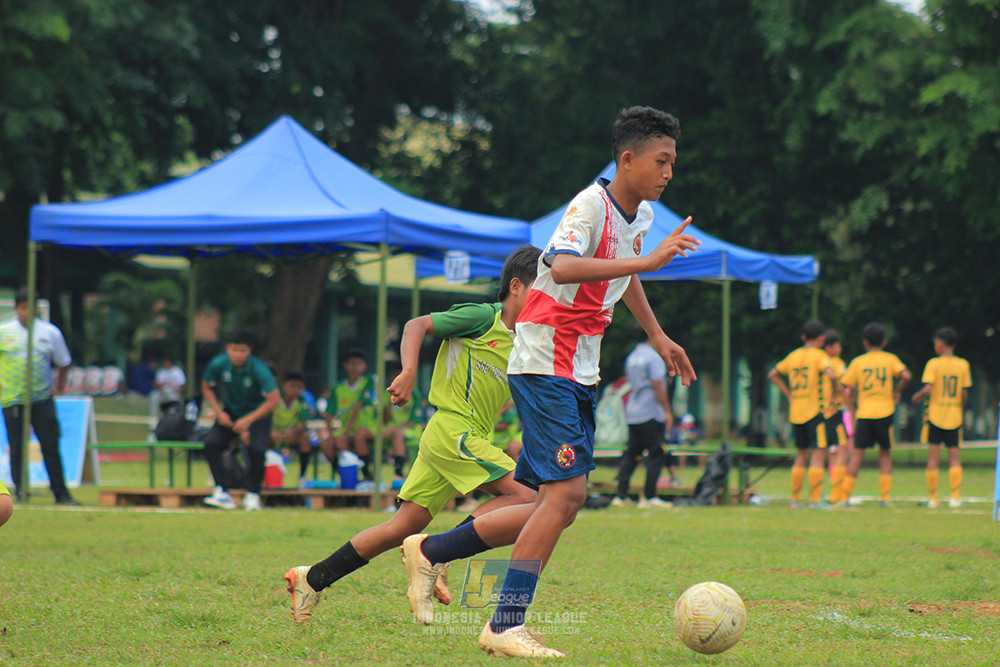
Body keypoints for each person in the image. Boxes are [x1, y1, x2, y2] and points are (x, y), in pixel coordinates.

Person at [398, 106, 698, 658]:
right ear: (627, 159)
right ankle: (504, 623)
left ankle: (431, 549)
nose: (669, 173)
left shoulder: (642, 219)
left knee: (552, 502)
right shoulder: (590, 204)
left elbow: (625, 273)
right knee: (566, 496)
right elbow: (558, 266)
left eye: (673, 162)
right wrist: (650, 263)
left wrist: (657, 335)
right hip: (544, 359)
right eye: (662, 161)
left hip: (579, 366)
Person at [282, 245, 541, 623]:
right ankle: (437, 554)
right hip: (454, 429)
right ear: (516, 286)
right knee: (527, 497)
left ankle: (312, 578)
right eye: (542, 287)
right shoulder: (483, 318)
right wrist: (405, 372)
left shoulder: (527, 339)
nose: (548, 297)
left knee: (402, 526)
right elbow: (415, 325)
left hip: (457, 436)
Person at [0, 288, 79, 505]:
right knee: (16, 447)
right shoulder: (4, 331)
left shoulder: (49, 332)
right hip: (13, 399)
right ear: (17, 309)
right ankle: (20, 491)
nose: (27, 312)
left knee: (50, 445)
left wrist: (59, 387)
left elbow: (64, 362)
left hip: (42, 399)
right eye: (23, 307)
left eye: (31, 307)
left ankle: (61, 493)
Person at [201, 328, 280, 511]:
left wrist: (249, 420)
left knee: (258, 450)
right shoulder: (218, 364)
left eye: (242, 350)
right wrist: (219, 412)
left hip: (258, 413)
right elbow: (206, 387)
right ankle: (222, 492)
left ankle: (253, 495)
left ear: (250, 350)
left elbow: (273, 400)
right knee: (211, 444)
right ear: (227, 348)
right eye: (234, 350)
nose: (238, 354)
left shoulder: (259, 369)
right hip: (231, 412)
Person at [767, 320, 839, 509]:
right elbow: (831, 375)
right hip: (816, 411)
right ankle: (815, 500)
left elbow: (773, 374)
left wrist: (789, 394)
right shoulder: (820, 356)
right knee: (818, 454)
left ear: (803, 337)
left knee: (800, 454)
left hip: (796, 411)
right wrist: (833, 395)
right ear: (822, 339)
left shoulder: (794, 356)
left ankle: (795, 499)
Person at [838, 322, 910, 508]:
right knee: (885, 455)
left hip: (865, 413)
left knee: (856, 456)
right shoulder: (890, 359)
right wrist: (897, 391)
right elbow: (906, 376)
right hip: (885, 411)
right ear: (884, 342)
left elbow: (845, 386)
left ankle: (844, 497)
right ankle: (885, 498)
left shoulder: (858, 362)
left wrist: (851, 406)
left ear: (865, 343)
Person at [612, 324, 677, 508]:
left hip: (633, 410)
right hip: (650, 411)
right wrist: (667, 410)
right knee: (656, 452)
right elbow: (658, 385)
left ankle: (620, 495)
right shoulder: (653, 357)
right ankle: (649, 496)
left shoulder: (632, 357)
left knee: (632, 452)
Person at [910, 326, 971, 509]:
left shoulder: (933, 364)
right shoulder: (963, 365)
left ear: (941, 344)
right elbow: (963, 392)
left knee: (933, 458)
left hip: (935, 415)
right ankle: (954, 498)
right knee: (954, 457)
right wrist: (960, 407)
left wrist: (918, 396)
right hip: (954, 415)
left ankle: (933, 498)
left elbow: (928, 388)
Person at [320, 349, 377, 481]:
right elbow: (329, 414)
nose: (355, 367)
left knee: (358, 435)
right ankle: (344, 476)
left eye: (359, 363)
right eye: (352, 363)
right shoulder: (338, 388)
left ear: (365, 367)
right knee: (326, 444)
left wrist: (345, 434)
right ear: (345, 365)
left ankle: (367, 474)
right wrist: (330, 435)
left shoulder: (368, 383)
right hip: (346, 430)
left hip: (368, 428)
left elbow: (357, 407)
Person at [267, 371, 313, 483]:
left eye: (299, 387)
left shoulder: (302, 402)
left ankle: (302, 476)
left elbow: (304, 425)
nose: (296, 390)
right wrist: (270, 433)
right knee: (262, 439)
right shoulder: (274, 399)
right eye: (292, 386)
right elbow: (263, 419)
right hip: (272, 435)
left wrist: (293, 431)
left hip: (290, 436)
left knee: (305, 439)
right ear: (284, 386)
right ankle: (263, 476)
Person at [822, 330, 851, 504]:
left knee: (825, 452)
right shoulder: (836, 363)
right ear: (829, 347)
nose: (839, 349)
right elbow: (843, 386)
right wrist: (851, 407)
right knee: (842, 449)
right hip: (834, 412)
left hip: (818, 412)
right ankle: (836, 494)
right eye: (837, 346)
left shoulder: (818, 362)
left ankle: (815, 495)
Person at [382, 362, 422, 481]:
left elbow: (414, 421)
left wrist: (393, 429)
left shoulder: (414, 394)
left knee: (397, 434)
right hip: (389, 429)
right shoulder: (387, 394)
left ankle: (398, 472)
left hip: (410, 430)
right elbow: (384, 419)